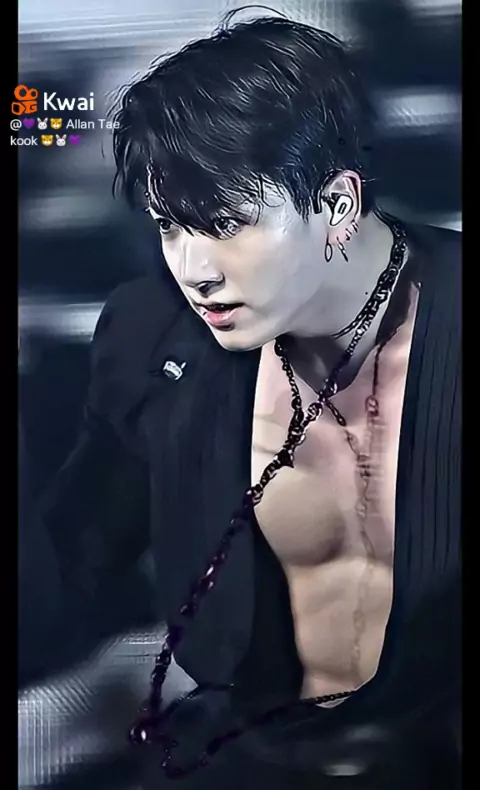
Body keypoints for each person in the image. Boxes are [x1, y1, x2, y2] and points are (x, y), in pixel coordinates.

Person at [36, 14, 461, 790]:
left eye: (227, 224)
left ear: (337, 205)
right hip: (240, 754)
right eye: (170, 227)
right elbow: (74, 562)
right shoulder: (150, 333)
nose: (195, 269)